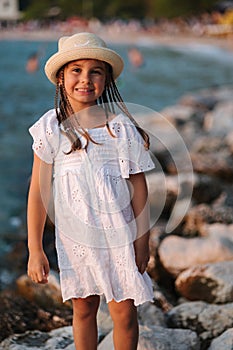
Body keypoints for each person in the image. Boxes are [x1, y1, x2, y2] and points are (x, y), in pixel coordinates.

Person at [27, 32, 155, 350]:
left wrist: (143, 241)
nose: (85, 79)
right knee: (83, 310)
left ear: (105, 79)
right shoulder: (50, 128)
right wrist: (35, 249)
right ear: (60, 78)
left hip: (119, 235)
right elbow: (38, 193)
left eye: (95, 71)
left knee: (124, 312)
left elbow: (139, 188)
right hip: (76, 239)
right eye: (76, 70)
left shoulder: (120, 128)